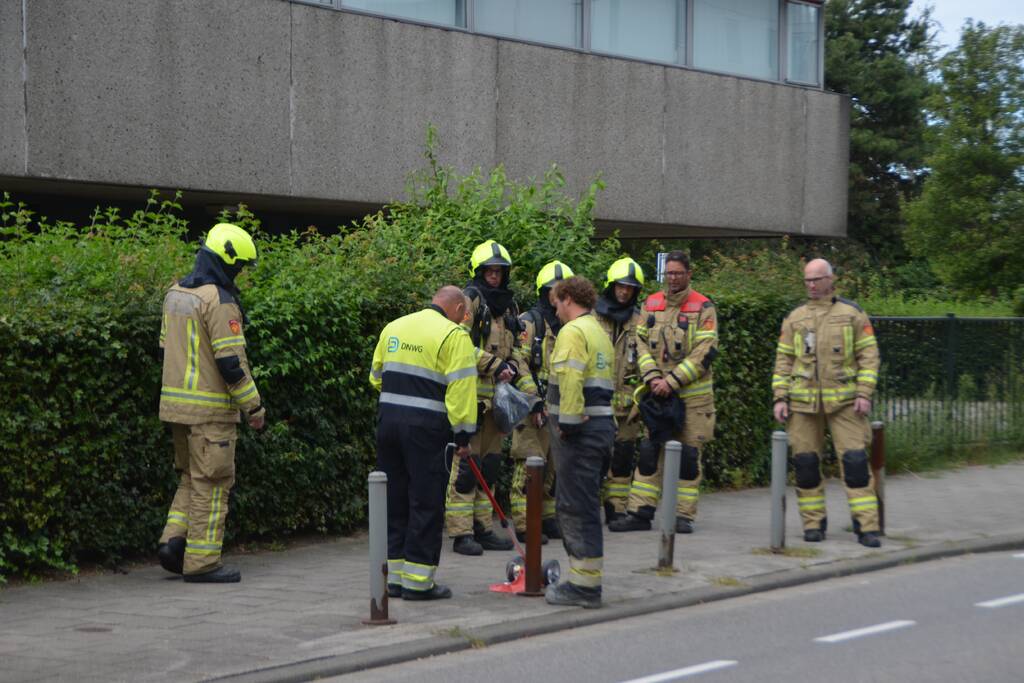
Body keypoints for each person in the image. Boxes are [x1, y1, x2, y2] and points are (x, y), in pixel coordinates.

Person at [156, 223, 265, 584]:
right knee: (214, 484)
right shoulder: (219, 301)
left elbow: (165, 349)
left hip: (176, 407)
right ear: (227, 261)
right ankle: (202, 562)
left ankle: (173, 544)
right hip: (210, 411)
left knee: (191, 478)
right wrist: (254, 407)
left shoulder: (175, 294)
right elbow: (231, 363)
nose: (240, 274)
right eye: (240, 267)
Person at [370, 286, 478, 600]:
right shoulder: (454, 336)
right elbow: (461, 390)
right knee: (425, 501)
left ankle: (393, 579)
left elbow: (376, 377)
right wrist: (463, 435)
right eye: (464, 313)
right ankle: (418, 583)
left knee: (394, 500)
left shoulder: (394, 327)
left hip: (388, 424)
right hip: (427, 430)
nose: (464, 319)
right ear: (457, 308)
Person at [772, 259, 882, 547]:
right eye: (807, 280)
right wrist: (780, 397)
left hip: (846, 402)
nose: (811, 285)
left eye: (816, 279)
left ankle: (867, 527)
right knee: (806, 465)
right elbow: (783, 360)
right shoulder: (795, 318)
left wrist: (864, 393)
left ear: (830, 280)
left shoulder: (852, 314)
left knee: (856, 464)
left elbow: (869, 356)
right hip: (803, 404)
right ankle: (813, 524)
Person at [610, 251, 718, 535]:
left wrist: (672, 381)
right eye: (669, 273)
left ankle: (683, 516)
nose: (673, 278)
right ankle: (640, 513)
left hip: (692, 398)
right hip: (657, 394)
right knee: (649, 453)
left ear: (689, 274)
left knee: (688, 458)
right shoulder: (651, 304)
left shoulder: (704, 307)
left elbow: (705, 352)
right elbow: (640, 343)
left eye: (678, 273)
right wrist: (653, 377)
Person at [544, 276, 615, 609]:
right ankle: (586, 579)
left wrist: (568, 424)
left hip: (580, 433)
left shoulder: (572, 332)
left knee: (574, 506)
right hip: (602, 427)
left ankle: (584, 587)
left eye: (557, 303)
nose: (555, 311)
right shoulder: (599, 331)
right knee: (587, 504)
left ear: (568, 299)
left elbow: (570, 378)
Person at [445, 240, 518, 555]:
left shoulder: (508, 307)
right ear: (479, 271)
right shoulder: (470, 300)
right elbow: (459, 343)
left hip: (495, 406)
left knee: (489, 467)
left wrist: (514, 365)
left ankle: (482, 528)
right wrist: (495, 365)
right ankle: (461, 534)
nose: (494, 276)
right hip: (471, 399)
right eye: (489, 270)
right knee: (466, 468)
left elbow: (514, 348)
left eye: (499, 271)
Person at [508, 261, 574, 543]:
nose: (556, 296)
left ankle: (546, 518)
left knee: (551, 468)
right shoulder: (528, 322)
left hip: (557, 407)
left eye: (562, 291)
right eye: (551, 291)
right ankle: (525, 524)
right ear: (543, 292)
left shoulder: (570, 326)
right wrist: (534, 401)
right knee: (528, 466)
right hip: (530, 407)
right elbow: (518, 361)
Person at [594, 257, 645, 525]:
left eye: (630, 288)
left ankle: (616, 509)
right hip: (597, 405)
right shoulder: (593, 316)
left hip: (628, 408)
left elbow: (648, 361)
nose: (624, 292)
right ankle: (589, 510)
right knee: (595, 458)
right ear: (611, 286)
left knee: (622, 459)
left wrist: (641, 399)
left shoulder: (641, 320)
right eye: (620, 286)